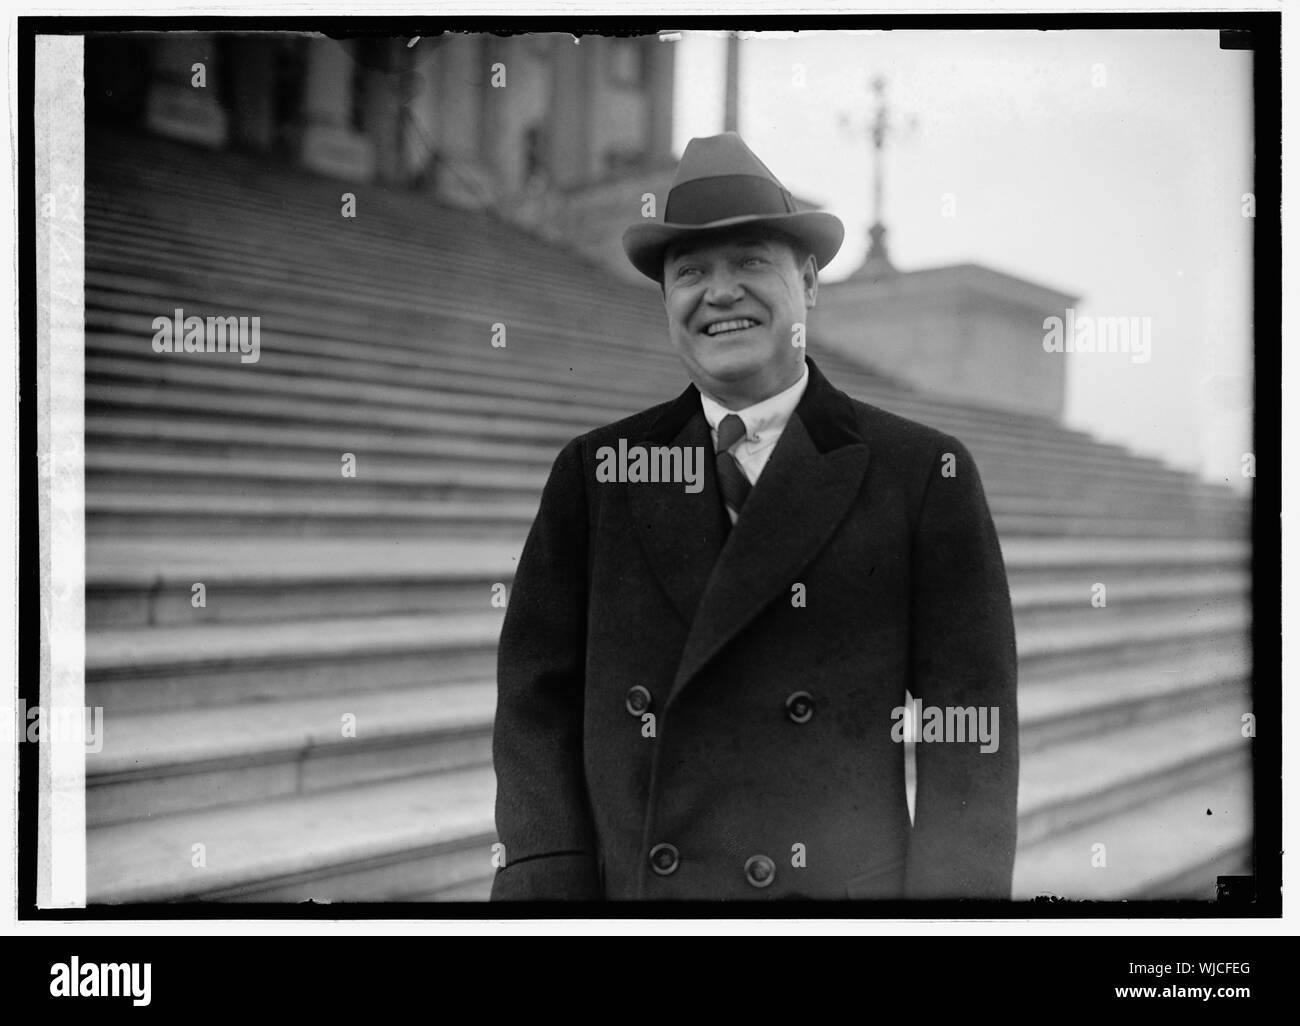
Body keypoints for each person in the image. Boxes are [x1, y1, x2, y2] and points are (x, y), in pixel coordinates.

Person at [490, 132, 1018, 901]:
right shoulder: (596, 472)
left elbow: (969, 733)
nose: (720, 291)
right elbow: (535, 702)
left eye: (751, 263)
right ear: (665, 299)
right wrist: (547, 889)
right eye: (691, 271)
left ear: (808, 282)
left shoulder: (921, 474)